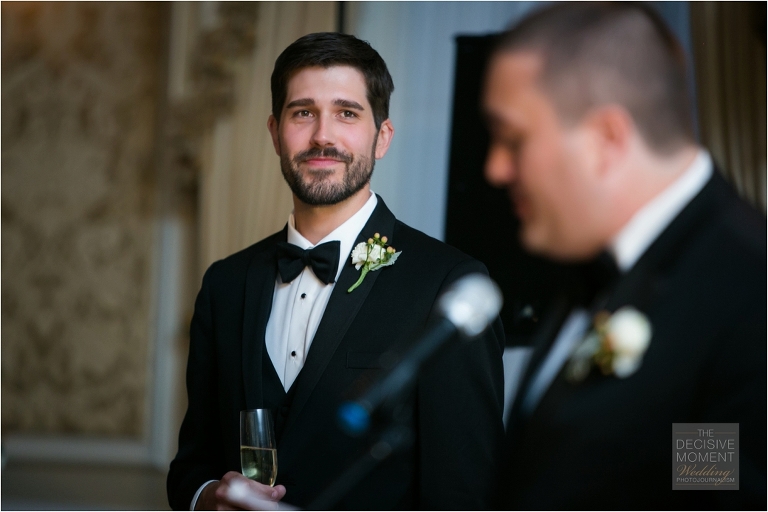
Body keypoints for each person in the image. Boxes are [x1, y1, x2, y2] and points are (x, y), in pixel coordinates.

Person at [167, 32, 505, 511]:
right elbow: (191, 465)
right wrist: (206, 498)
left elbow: (465, 493)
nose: (323, 136)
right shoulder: (225, 284)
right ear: (275, 133)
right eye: (303, 113)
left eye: (347, 113)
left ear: (381, 137)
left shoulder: (448, 284)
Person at [482, 3, 766, 510]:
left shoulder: (748, 290)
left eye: (512, 139)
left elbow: (711, 491)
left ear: (606, 139)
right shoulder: (590, 268)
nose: (496, 169)